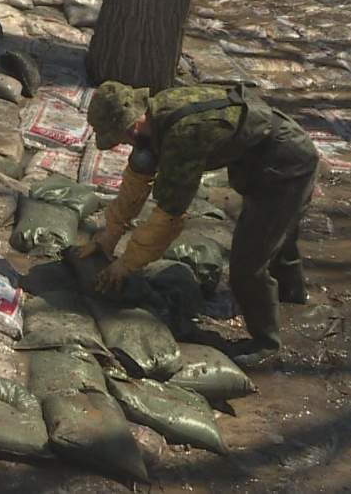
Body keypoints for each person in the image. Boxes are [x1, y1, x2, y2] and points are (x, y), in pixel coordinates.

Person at [77, 81, 319, 367]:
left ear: (131, 125)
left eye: (124, 137)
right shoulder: (158, 115)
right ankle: (292, 296)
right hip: (263, 157)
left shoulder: (182, 136)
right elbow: (137, 181)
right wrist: (110, 233)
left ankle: (266, 342)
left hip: (286, 165)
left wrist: (126, 264)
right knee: (277, 234)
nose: (128, 144)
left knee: (247, 265)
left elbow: (168, 216)